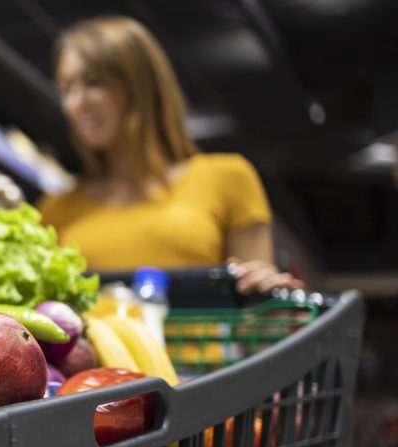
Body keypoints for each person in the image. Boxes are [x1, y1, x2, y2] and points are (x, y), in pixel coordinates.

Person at [38, 15, 304, 295]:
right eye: (67, 88)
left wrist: (268, 292)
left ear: (139, 85)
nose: (76, 103)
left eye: (93, 83)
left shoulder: (227, 177)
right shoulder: (55, 210)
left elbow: (259, 319)